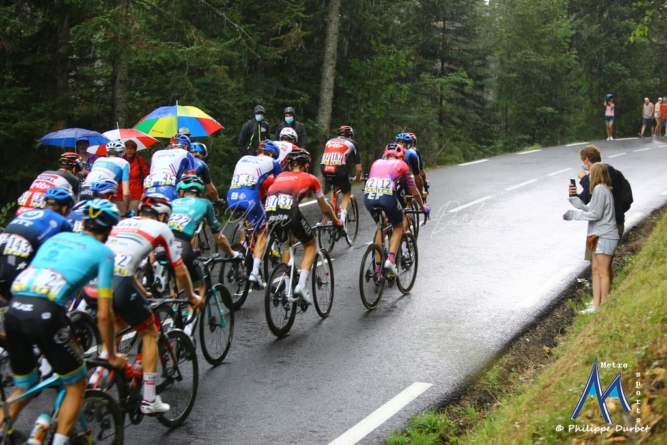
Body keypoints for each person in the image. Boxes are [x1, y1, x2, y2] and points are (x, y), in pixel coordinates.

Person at [5, 199, 126, 445]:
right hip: (46, 312)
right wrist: (111, 354)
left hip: (15, 308)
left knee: (24, 385)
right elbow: (104, 314)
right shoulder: (104, 253)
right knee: (76, 382)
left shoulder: (53, 239)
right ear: (109, 230)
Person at [99, 193, 203, 414]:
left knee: (114, 328)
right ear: (163, 217)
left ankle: (97, 378)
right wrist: (191, 297)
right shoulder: (161, 229)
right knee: (150, 332)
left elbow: (121, 259)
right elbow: (180, 270)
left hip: (96, 281)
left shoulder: (123, 222)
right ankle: (149, 399)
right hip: (120, 283)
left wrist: (140, 290)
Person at [265, 149, 341, 303]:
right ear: (306, 164)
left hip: (270, 213)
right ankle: (300, 285)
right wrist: (336, 220)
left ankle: (287, 290)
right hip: (289, 213)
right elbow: (325, 208)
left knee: (289, 244)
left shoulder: (280, 176)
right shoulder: (311, 178)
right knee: (310, 244)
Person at [167, 175, 241, 309]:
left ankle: (173, 312)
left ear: (182, 192)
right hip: (182, 247)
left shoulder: (172, 203)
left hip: (161, 247)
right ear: (199, 192)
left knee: (175, 275)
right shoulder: (205, 203)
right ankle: (188, 326)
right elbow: (219, 238)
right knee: (200, 285)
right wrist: (232, 254)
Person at [364, 143, 429, 276]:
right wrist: (423, 207)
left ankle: (377, 269)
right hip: (387, 196)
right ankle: (391, 259)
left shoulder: (376, 162)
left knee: (381, 227)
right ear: (401, 157)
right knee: (398, 225)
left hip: (368, 196)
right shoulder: (403, 165)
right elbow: (414, 191)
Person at [0, 188, 74, 301]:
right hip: (16, 261)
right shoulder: (62, 222)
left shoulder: (27, 213)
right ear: (65, 208)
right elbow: (66, 256)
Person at [564, 163, 619, 312]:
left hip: (605, 235)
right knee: (595, 270)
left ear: (596, 174)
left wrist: (573, 215)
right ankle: (597, 304)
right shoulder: (599, 190)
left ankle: (604, 306)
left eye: (590, 174)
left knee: (602, 271)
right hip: (598, 235)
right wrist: (577, 203)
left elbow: (596, 215)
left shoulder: (600, 189)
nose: (588, 176)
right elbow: (592, 210)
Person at [227, 141, 282, 286]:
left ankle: (242, 245)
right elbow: (281, 185)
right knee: (262, 232)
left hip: (231, 196)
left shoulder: (243, 158)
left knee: (248, 221)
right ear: (271, 153)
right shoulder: (272, 162)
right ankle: (255, 272)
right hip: (250, 197)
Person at [320, 125, 362, 226]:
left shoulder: (329, 141)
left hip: (324, 168)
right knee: (347, 193)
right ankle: (341, 221)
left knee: (334, 187)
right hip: (339, 169)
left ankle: (331, 217)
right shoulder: (352, 143)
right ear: (350, 135)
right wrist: (357, 178)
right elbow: (359, 168)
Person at [16, 152, 83, 215]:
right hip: (41, 214)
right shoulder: (72, 179)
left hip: (21, 211)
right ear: (74, 169)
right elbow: (72, 206)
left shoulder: (44, 173)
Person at [81, 140, 131, 213]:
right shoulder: (124, 163)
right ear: (122, 153)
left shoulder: (98, 160)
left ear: (107, 152)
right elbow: (126, 193)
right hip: (102, 191)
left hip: (85, 189)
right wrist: (127, 211)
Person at [144, 134, 195, 201]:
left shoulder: (156, 153)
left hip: (150, 186)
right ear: (186, 147)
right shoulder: (186, 153)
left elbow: (152, 171)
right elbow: (191, 178)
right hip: (169, 186)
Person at [117, 140, 149, 214]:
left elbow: (146, 176)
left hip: (136, 195)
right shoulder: (120, 160)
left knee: (133, 216)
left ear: (135, 150)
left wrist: (144, 192)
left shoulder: (139, 160)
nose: (129, 151)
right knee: (121, 217)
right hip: (120, 195)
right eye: (127, 148)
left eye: (131, 149)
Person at [189, 142, 224, 206]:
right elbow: (211, 191)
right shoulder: (202, 164)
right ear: (201, 155)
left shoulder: (181, 160)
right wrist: (217, 200)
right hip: (189, 195)